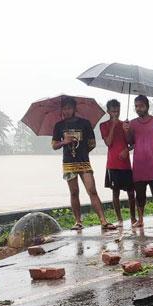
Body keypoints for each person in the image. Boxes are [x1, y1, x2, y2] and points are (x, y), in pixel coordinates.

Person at [51, 96, 115, 231]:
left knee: (92, 190)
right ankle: (78, 221)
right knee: (74, 192)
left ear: (74, 109)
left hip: (84, 162)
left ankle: (103, 220)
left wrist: (82, 150)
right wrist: (65, 142)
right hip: (68, 163)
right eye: (64, 108)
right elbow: (54, 145)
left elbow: (92, 143)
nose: (66, 111)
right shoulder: (59, 125)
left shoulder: (85, 123)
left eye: (69, 108)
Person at [125, 95, 153, 230]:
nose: (139, 108)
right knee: (140, 195)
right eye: (136, 106)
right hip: (139, 166)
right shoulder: (132, 124)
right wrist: (126, 130)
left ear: (147, 106)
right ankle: (140, 219)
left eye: (141, 105)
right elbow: (129, 142)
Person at [99, 99, 136, 228]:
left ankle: (133, 218)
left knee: (131, 192)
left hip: (126, 164)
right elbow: (108, 143)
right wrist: (114, 126)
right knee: (115, 192)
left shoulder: (126, 124)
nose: (116, 113)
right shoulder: (104, 125)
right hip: (113, 164)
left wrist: (127, 148)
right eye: (113, 111)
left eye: (118, 110)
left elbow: (132, 143)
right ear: (108, 111)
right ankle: (119, 219)